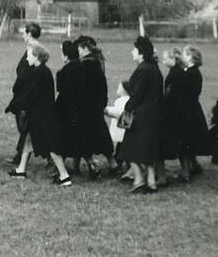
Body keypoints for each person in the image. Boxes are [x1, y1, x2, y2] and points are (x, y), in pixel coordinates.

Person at [8, 45, 73, 186]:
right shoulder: (43, 71)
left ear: (37, 56)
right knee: (28, 140)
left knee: (51, 146)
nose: (26, 58)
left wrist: (16, 105)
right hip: (41, 114)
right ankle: (21, 170)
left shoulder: (39, 73)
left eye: (29, 55)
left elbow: (31, 95)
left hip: (42, 116)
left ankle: (64, 176)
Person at [119, 36, 163, 194]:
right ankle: (151, 182)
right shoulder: (155, 69)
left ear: (141, 53)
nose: (132, 52)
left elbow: (136, 95)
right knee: (148, 149)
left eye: (134, 50)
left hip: (141, 114)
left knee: (130, 148)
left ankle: (138, 180)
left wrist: (127, 108)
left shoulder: (142, 70)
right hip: (154, 113)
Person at [165, 46, 209, 182]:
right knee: (189, 141)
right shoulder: (194, 72)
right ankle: (193, 166)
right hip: (193, 110)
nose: (182, 56)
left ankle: (186, 173)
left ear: (190, 56)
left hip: (186, 112)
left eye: (184, 54)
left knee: (184, 141)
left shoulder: (189, 73)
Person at [74, 35, 115, 177]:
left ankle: (91, 164)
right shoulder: (98, 61)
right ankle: (112, 163)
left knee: (83, 136)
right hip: (97, 104)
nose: (77, 51)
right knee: (101, 133)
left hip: (86, 106)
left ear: (85, 48)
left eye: (79, 48)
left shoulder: (85, 64)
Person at [6, 22, 41, 165]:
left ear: (29, 34)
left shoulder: (33, 49)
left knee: (26, 127)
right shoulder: (33, 48)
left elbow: (26, 73)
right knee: (26, 128)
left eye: (24, 33)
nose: (22, 35)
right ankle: (21, 155)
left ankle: (22, 156)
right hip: (24, 92)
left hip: (26, 94)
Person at [54, 41, 82, 173]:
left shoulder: (63, 71)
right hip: (80, 107)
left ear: (66, 56)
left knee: (63, 136)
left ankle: (60, 167)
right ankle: (77, 165)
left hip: (66, 107)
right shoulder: (83, 67)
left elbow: (61, 90)